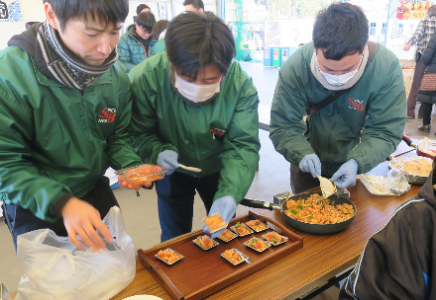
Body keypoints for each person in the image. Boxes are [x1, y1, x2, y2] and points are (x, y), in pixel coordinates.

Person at [0, 0, 144, 252]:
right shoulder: (10, 75)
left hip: (91, 189)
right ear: (52, 15)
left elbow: (117, 137)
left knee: (113, 270)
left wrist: (130, 164)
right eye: (91, 33)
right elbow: (6, 164)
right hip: (34, 200)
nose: (105, 48)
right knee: (53, 286)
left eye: (114, 31)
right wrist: (62, 202)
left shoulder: (115, 73)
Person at [128, 12, 260, 242]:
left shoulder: (240, 86)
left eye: (209, 80)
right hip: (172, 170)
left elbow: (243, 145)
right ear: (172, 60)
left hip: (221, 168)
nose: (198, 87)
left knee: (224, 233)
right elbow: (136, 133)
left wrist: (230, 193)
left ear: (225, 69)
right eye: (188, 78)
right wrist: (155, 152)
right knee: (174, 236)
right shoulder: (145, 79)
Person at [269, 2, 406, 194]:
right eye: (327, 69)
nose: (338, 76)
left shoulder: (385, 67)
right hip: (307, 163)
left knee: (354, 218)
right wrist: (301, 154)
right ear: (315, 48)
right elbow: (283, 125)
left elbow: (385, 130)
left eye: (348, 68)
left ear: (363, 47)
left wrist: (358, 161)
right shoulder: (296, 66)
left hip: (355, 164)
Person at [339, 158, 436, 300]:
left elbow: (385, 135)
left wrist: (357, 159)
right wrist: (302, 153)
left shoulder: (414, 223)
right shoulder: (413, 224)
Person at [403, 5, 436, 119]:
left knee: (416, 84)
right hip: (434, 61)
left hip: (423, 56)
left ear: (429, 12)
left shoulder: (425, 21)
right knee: (430, 85)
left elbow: (418, 34)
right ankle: (423, 114)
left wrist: (410, 43)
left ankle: (410, 112)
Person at [417, 33, 436, 133]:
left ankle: (426, 125)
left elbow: (425, 59)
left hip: (432, 74)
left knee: (426, 98)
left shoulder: (434, 39)